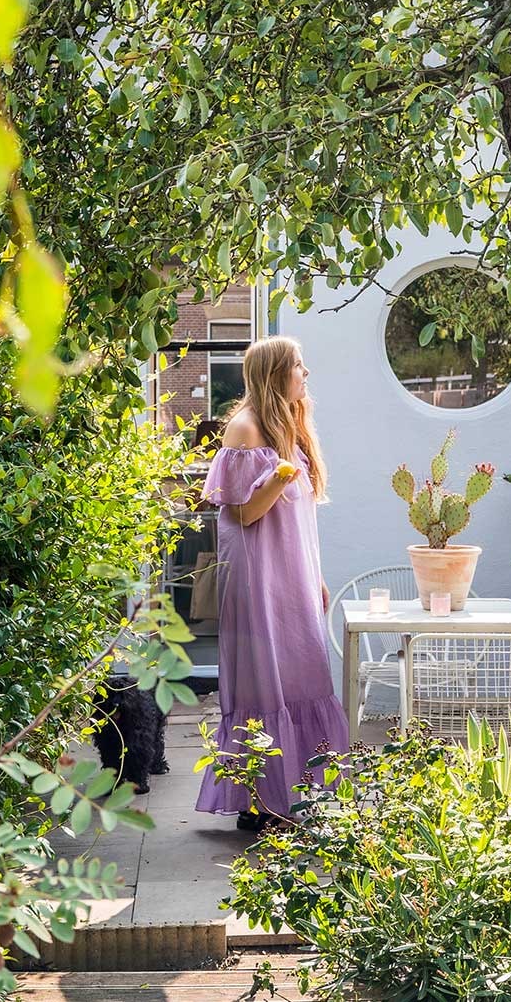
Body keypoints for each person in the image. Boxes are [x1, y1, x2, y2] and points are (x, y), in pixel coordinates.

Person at [194, 335, 350, 832]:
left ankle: (295, 791)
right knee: (264, 682)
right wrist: (278, 479)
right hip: (257, 575)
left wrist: (314, 574)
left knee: (303, 674)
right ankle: (259, 801)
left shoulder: (287, 424)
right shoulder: (244, 427)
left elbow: (301, 521)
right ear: (276, 372)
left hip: (291, 573)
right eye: (298, 365)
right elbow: (243, 514)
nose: (306, 374)